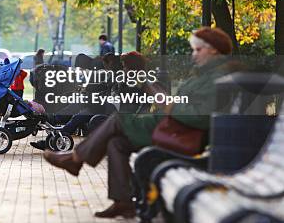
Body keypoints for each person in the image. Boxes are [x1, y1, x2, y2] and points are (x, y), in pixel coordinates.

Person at [43, 27, 234, 219]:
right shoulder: (205, 76)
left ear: (214, 50)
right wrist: (159, 96)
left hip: (182, 135)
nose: (194, 55)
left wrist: (166, 103)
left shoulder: (218, 78)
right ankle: (123, 203)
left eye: (198, 50)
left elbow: (198, 116)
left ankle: (75, 159)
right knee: (115, 143)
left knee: (118, 120)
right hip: (173, 128)